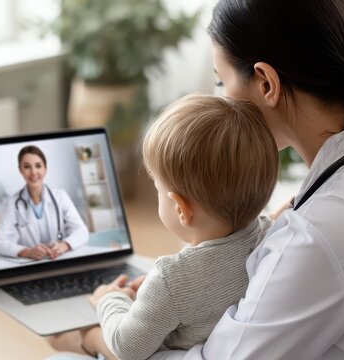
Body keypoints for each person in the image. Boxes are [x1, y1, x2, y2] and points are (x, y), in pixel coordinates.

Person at [48, 0, 344, 358]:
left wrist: (87, 339)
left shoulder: (323, 235)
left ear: (266, 82)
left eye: (221, 81)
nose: (221, 98)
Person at [49, 94, 278, 359]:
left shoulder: (172, 278)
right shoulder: (267, 233)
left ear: (180, 209)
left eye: (157, 187)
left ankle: (79, 341)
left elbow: (127, 348)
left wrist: (109, 300)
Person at [0, 145, 89, 260]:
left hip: (61, 260)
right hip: (32, 266)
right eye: (27, 167)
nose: (34, 172)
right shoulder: (12, 203)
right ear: (20, 170)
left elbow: (82, 231)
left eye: (38, 166)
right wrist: (27, 251)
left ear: (45, 168)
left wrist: (64, 245)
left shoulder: (60, 196)